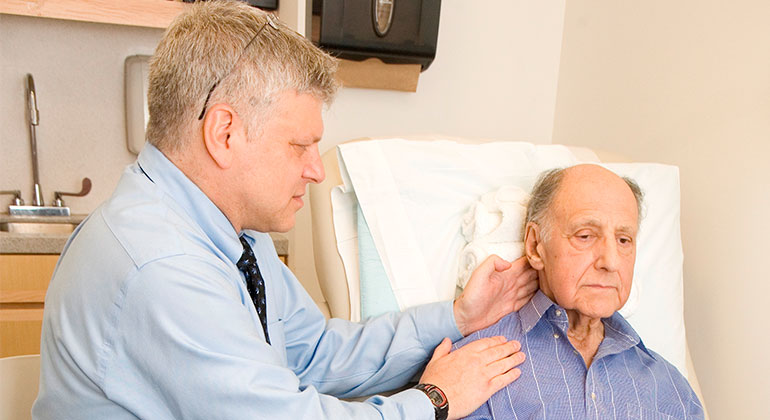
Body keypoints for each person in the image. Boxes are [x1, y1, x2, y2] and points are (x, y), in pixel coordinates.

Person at [32, 2, 538, 419]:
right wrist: (434, 400)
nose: (316, 170)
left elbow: (315, 354)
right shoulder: (162, 266)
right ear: (224, 134)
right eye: (300, 145)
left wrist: (456, 317)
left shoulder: (232, 237)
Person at [455, 164, 704, 419]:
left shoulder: (674, 391)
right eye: (585, 236)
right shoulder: (471, 369)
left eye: (623, 240)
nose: (611, 261)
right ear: (535, 245)